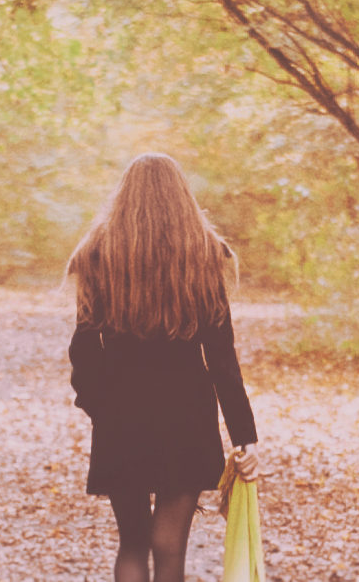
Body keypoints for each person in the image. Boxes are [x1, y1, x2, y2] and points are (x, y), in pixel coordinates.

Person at [66, 153, 260, 582]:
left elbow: (82, 350)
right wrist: (244, 436)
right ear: (182, 197)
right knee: (169, 546)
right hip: (186, 418)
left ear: (124, 196)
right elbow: (222, 358)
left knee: (133, 542)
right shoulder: (205, 254)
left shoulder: (99, 253)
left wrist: (99, 405)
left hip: (121, 417)